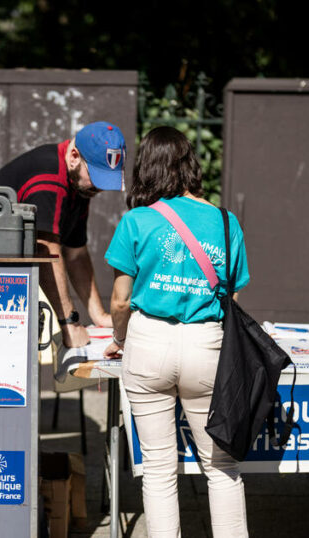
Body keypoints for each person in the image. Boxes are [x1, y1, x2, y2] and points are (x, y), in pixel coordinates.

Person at [102, 126, 250, 537]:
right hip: (207, 344)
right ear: (191, 165)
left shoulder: (136, 221)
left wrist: (120, 341)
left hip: (149, 342)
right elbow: (232, 299)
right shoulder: (225, 221)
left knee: (159, 470)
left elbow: (119, 301)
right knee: (221, 466)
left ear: (145, 167)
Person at [0, 121, 126, 348]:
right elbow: (46, 249)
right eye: (96, 177)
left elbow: (76, 253)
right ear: (74, 156)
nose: (100, 188)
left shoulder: (79, 183)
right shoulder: (51, 177)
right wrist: (69, 323)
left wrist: (99, 316)